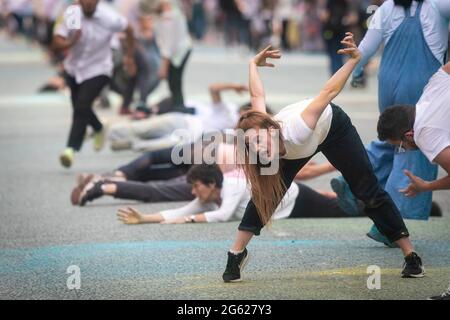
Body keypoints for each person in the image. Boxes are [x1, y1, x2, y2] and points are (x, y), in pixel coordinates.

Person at [221, 33, 425, 284]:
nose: (258, 149)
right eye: (252, 145)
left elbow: (329, 90)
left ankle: (410, 255)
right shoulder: (262, 136)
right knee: (265, 195)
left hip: (333, 128)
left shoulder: (298, 127)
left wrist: (353, 61)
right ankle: (236, 254)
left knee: (367, 190)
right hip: (296, 147)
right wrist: (252, 65)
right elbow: (257, 97)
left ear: (272, 130)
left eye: (260, 141)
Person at [339, 0, 450, 245]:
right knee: (412, 154)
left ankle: (350, 182)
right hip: (421, 84)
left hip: (388, 85)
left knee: (393, 143)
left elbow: (364, 50)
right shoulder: (437, 6)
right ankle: (390, 224)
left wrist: (355, 73)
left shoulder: (386, 9)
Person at [116, 164, 361, 226]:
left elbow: (223, 216)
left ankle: (372, 202)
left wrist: (189, 220)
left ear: (212, 184)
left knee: (342, 211)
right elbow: (180, 211)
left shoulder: (231, 186)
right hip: (285, 201)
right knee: (335, 203)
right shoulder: (211, 193)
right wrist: (143, 218)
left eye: (196, 187)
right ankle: (355, 194)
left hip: (294, 199)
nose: (193, 192)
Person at [53, 0, 136, 168]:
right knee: (78, 106)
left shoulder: (109, 17)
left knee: (82, 105)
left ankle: (70, 149)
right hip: (74, 69)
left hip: (100, 68)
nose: (88, 3)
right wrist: (70, 43)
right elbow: (57, 41)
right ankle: (98, 127)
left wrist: (129, 56)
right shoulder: (73, 14)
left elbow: (129, 30)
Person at [376, 62, 450, 196]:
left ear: (409, 135)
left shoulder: (424, 135)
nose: (405, 150)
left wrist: (427, 186)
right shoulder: (433, 85)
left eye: (401, 146)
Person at [107, 83, 245, 152]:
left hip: (186, 141)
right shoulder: (228, 113)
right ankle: (104, 130)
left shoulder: (240, 137)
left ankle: (125, 143)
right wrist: (236, 86)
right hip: (182, 122)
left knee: (148, 147)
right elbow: (213, 88)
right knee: (139, 129)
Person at [139, 0, 192, 111]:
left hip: (178, 52)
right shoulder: (169, 14)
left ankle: (178, 106)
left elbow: (167, 47)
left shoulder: (168, 18)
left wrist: (163, 68)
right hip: (179, 50)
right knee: (174, 81)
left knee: (174, 80)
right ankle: (178, 104)